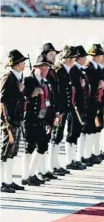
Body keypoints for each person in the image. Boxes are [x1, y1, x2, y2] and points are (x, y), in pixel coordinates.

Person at [21, 55, 56, 186]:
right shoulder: (28, 80)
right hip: (30, 119)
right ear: (35, 68)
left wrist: (50, 121)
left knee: (42, 146)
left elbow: (49, 103)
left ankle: (32, 173)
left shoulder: (46, 83)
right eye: (41, 68)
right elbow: (21, 96)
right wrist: (31, 93)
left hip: (42, 119)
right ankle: (25, 176)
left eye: (46, 68)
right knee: (29, 147)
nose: (44, 71)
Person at [0, 50, 28, 193]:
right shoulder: (8, 77)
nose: (24, 64)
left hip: (17, 119)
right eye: (22, 62)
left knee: (12, 151)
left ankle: (9, 180)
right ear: (16, 64)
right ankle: (2, 181)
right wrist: (6, 121)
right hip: (9, 120)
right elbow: (2, 100)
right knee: (5, 151)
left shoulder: (17, 77)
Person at [54, 46, 84, 172]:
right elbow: (58, 93)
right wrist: (59, 111)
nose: (74, 60)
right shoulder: (60, 71)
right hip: (60, 109)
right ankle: (53, 165)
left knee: (59, 136)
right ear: (65, 59)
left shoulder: (67, 71)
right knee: (55, 137)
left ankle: (56, 164)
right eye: (71, 58)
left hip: (66, 108)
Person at [41, 43, 65, 176]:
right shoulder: (45, 71)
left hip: (54, 108)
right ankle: (44, 168)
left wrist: (59, 110)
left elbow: (57, 92)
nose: (54, 57)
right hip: (47, 110)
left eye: (55, 55)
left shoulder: (53, 70)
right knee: (45, 140)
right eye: (51, 54)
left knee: (54, 137)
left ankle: (51, 165)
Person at [71, 45, 93, 167]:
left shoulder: (81, 70)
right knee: (74, 133)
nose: (85, 59)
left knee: (80, 132)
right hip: (77, 105)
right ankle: (74, 158)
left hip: (83, 105)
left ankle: (80, 156)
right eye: (83, 57)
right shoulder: (74, 70)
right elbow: (75, 88)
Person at [85, 44, 104, 164]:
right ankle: (87, 154)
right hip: (91, 102)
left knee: (96, 127)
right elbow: (89, 86)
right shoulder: (89, 68)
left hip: (97, 101)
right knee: (90, 128)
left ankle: (93, 152)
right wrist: (97, 85)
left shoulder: (98, 68)